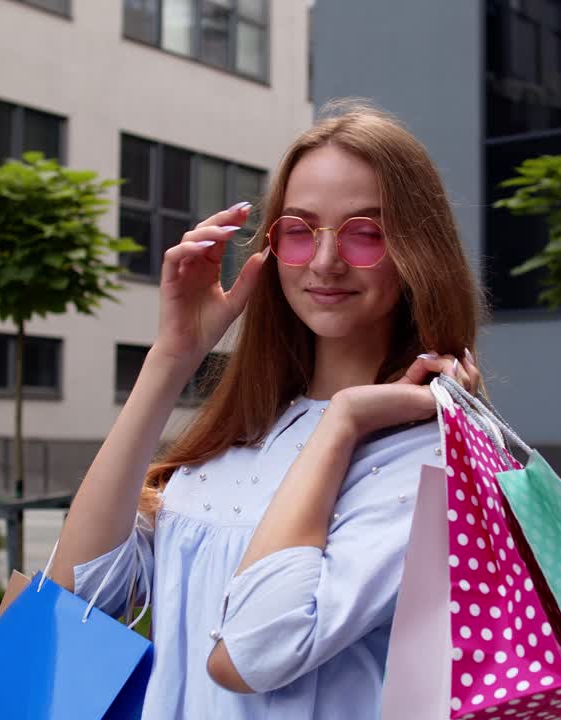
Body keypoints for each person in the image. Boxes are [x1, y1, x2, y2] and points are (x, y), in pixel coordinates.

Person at [46, 101, 487, 718]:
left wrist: (345, 421)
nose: (326, 261)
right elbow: (78, 595)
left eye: (366, 232)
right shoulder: (240, 437)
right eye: (301, 230)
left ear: (419, 252)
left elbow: (252, 654)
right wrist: (172, 357)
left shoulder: (429, 459)